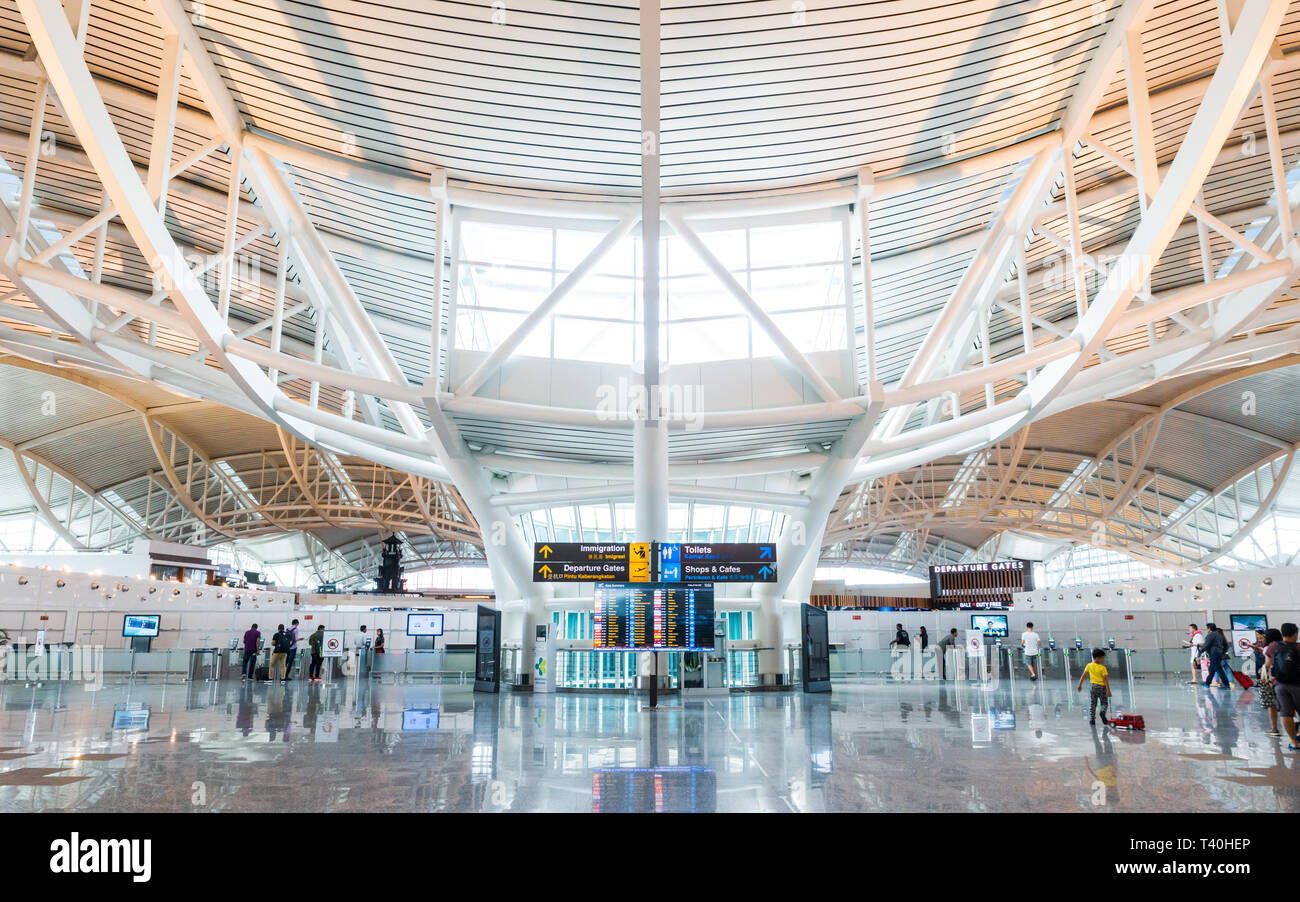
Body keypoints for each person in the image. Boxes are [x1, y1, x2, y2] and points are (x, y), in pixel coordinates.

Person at [1265, 623, 1300, 749]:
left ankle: (1294, 742)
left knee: (1286, 714)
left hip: (1279, 685)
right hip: (1297, 684)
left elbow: (1267, 665)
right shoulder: (1298, 647)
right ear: (1295, 633)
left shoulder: (1273, 646)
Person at [1076, 647, 1112, 726]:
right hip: (1102, 687)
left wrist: (1079, 685)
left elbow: (1083, 676)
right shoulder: (1103, 668)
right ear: (1097, 658)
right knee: (1104, 703)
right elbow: (1105, 680)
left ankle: (1092, 719)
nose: (1103, 660)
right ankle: (1102, 712)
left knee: (1093, 703)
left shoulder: (1089, 665)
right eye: (1102, 658)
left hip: (1093, 687)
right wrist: (1108, 690)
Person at [1258, 628, 1283, 737]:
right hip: (1288, 678)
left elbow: (1267, 665)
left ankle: (1274, 729)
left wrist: (1261, 670)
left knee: (1271, 704)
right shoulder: (1284, 645)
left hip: (1272, 679)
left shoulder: (1269, 647)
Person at [1202, 622, 1234, 690]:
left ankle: (1227, 685)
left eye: (1207, 628)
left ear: (1209, 629)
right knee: (1211, 669)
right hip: (1218, 654)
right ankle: (1207, 683)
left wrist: (1200, 651)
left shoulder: (1211, 635)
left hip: (1214, 654)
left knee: (1219, 670)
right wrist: (1222, 652)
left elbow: (1206, 644)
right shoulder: (1220, 635)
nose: (1207, 630)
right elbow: (1226, 645)